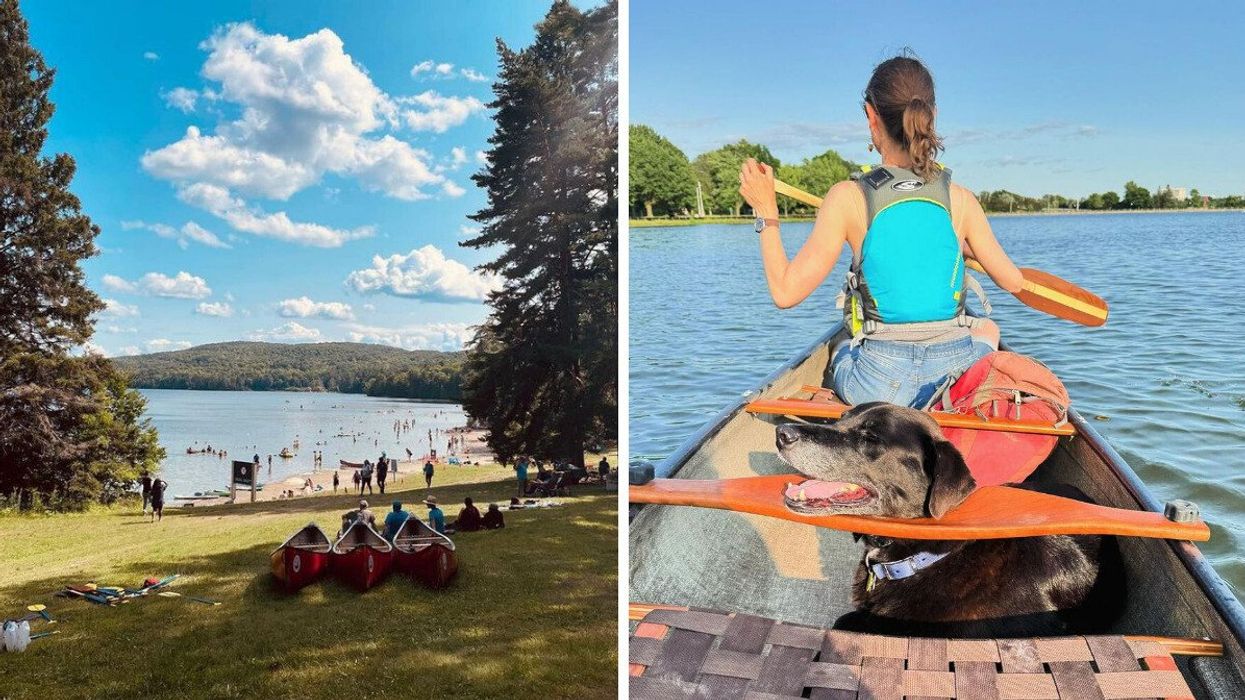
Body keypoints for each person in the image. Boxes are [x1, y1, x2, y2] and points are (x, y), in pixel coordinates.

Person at [737, 53, 1024, 409]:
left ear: (871, 118)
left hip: (877, 387)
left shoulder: (847, 198)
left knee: (841, 344)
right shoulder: (961, 200)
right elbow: (1013, 282)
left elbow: (785, 292)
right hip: (954, 380)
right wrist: (962, 249)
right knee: (987, 328)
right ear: (931, 116)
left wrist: (766, 212)